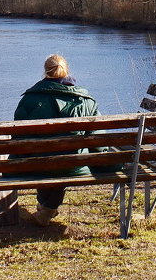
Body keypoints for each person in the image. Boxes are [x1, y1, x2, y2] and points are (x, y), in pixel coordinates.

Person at [13, 54, 100, 226]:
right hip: (74, 165)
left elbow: (19, 139)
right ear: (67, 71)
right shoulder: (85, 100)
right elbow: (97, 139)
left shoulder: (29, 99)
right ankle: (46, 209)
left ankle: (46, 210)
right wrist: (106, 163)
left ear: (45, 72)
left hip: (37, 164)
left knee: (45, 158)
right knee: (61, 159)